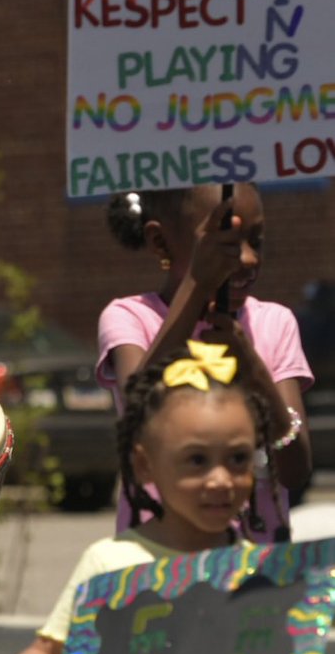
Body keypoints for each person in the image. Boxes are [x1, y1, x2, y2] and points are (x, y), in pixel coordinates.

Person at [11, 344, 335, 654]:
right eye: (197, 460)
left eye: (239, 458)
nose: (221, 479)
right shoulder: (112, 565)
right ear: (145, 466)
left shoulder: (262, 574)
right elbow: (42, 653)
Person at [97, 185, 312, 540]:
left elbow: (296, 469)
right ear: (160, 243)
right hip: (159, 565)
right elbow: (138, 412)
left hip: (257, 569)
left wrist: (254, 371)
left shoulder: (274, 323)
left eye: (255, 242)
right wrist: (199, 282)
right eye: (222, 244)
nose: (248, 259)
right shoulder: (131, 318)